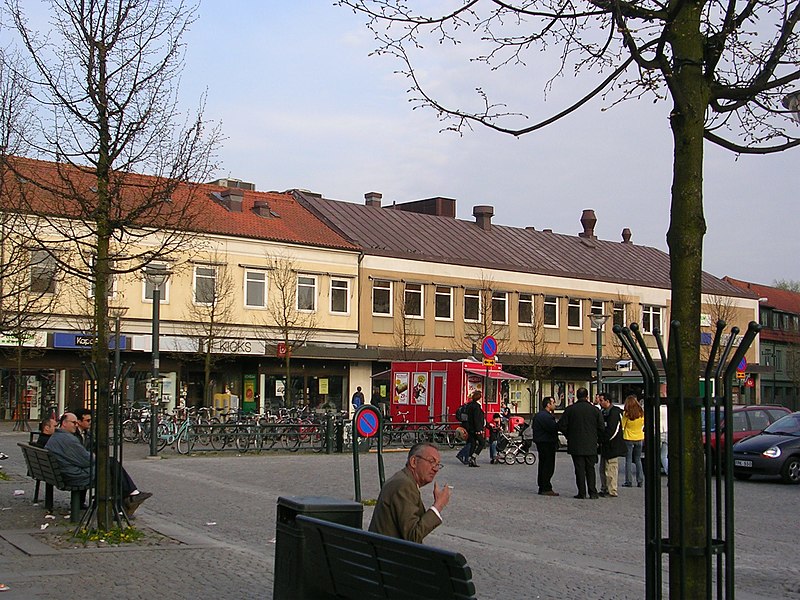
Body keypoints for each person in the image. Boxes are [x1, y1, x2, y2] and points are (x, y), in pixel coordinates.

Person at [45, 413, 152, 516]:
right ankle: (124, 503)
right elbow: (85, 460)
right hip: (74, 476)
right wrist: (95, 456)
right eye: (73, 423)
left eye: (76, 423)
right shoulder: (68, 439)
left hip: (64, 473)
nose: (76, 425)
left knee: (110, 464)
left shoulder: (57, 437)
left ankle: (130, 497)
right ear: (64, 423)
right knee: (110, 467)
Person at [368, 442, 451, 543]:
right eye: (431, 461)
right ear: (414, 462)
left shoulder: (402, 479)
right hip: (391, 554)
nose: (435, 469)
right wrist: (438, 505)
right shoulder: (404, 486)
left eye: (437, 464)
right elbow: (413, 535)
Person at [557, 387, 604, 499]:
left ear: (577, 396)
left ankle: (581, 492)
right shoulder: (595, 410)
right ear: (587, 396)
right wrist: (596, 438)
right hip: (591, 444)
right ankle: (593, 492)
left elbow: (561, 426)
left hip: (576, 444)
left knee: (579, 469)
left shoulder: (570, 409)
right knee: (590, 469)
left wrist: (569, 435)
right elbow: (601, 427)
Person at [598, 394, 626, 497]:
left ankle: (612, 490)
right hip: (605, 445)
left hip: (613, 444)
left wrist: (603, 439)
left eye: (601, 400)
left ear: (607, 401)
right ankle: (604, 487)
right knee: (603, 469)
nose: (600, 403)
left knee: (611, 468)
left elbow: (613, 430)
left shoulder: (614, 413)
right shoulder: (603, 412)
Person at [532, 396, 559, 496]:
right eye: (553, 402)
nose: (554, 404)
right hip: (547, 442)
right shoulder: (546, 416)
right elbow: (553, 428)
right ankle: (546, 487)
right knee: (548, 465)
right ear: (548, 404)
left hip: (541, 442)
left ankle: (542, 485)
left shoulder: (539, 415)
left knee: (543, 464)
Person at [621, 395, 645, 487]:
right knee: (638, 459)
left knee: (628, 460)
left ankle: (628, 481)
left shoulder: (627, 414)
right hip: (639, 437)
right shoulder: (641, 413)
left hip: (628, 437)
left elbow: (622, 426)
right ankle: (640, 480)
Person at [465, 390, 486, 467]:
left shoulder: (470, 405)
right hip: (476, 429)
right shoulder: (476, 407)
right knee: (482, 443)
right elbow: (476, 419)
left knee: (473, 444)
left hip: (470, 428)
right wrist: (478, 430)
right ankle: (473, 457)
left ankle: (471, 459)